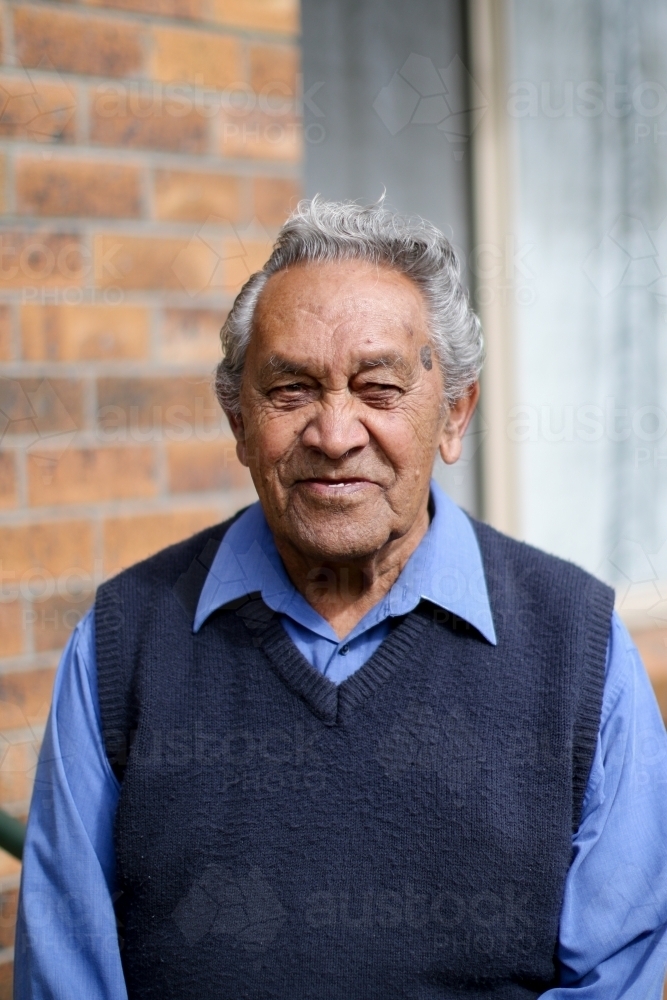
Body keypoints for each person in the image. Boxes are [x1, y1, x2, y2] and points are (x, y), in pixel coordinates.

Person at [15, 199, 667, 999]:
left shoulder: (580, 650)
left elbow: (617, 979)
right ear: (239, 422)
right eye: (289, 389)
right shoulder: (122, 644)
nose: (334, 431)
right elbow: (66, 973)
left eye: (378, 387)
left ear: (453, 414)